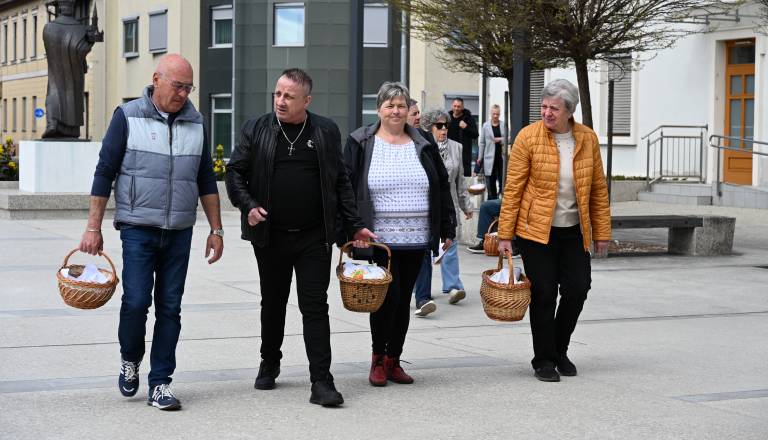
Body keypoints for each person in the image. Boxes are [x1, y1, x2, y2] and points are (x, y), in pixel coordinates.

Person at [79, 54, 223, 410]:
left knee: (170, 308)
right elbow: (104, 172)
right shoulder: (127, 117)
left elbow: (205, 177)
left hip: (179, 231)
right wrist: (93, 227)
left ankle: (160, 382)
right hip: (138, 228)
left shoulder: (196, 122)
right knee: (136, 301)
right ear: (156, 79)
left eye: (189, 87)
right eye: (178, 86)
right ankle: (130, 360)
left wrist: (216, 229)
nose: (183, 93)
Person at [225, 68, 375, 407]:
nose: (280, 101)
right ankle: (270, 360)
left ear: (306, 100)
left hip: (314, 237)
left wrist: (353, 226)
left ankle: (321, 381)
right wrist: (247, 205)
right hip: (271, 236)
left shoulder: (324, 131)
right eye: (277, 94)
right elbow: (235, 172)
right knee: (273, 302)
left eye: (288, 96)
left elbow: (341, 183)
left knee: (314, 307)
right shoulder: (257, 128)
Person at [497, 79, 611, 382]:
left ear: (569, 111)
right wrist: (505, 234)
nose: (547, 113)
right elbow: (514, 188)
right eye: (544, 107)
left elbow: (598, 189)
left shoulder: (587, 139)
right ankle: (543, 359)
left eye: (554, 108)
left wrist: (601, 233)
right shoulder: (528, 137)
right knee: (544, 293)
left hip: (574, 229)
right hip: (536, 231)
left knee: (578, 289)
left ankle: (560, 349)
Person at [343, 82, 455, 386]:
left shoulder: (423, 143)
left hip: (416, 238)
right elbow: (346, 186)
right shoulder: (361, 142)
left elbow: (441, 186)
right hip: (376, 239)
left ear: (409, 110)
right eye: (390, 105)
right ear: (379, 109)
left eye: (401, 105)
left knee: (403, 298)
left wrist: (447, 226)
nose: (396, 111)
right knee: (384, 300)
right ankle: (377, 359)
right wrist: (352, 227)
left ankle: (394, 360)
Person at [413, 109, 472, 317]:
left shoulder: (457, 148)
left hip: (450, 205)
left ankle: (454, 286)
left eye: (446, 125)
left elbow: (460, 181)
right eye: (439, 126)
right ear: (430, 128)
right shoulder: (422, 146)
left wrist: (466, 205)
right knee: (425, 251)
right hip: (429, 206)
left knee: (451, 245)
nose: (444, 129)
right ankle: (420, 290)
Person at [42, 0, 103, 138]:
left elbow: (51, 50)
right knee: (72, 96)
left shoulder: (48, 28)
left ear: (60, 8)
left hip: (56, 71)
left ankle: (54, 124)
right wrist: (89, 41)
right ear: (73, 8)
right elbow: (83, 49)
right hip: (74, 73)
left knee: (53, 92)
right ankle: (70, 128)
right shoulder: (81, 30)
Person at [478, 104, 508, 199]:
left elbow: (510, 138)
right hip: (489, 159)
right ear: (491, 113)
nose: (495, 116)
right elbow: (482, 142)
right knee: (490, 183)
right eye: (494, 114)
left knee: (502, 182)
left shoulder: (504, 124)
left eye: (497, 114)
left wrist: (500, 139)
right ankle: (492, 201)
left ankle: (501, 201)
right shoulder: (485, 126)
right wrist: (480, 157)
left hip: (501, 158)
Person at [447, 97, 479, 177]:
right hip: (450, 153)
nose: (456, 108)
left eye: (458, 106)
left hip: (463, 154)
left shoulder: (468, 118)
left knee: (463, 180)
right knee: (450, 178)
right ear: (452, 106)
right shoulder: (447, 118)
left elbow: (475, 134)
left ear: (462, 107)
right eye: (455, 106)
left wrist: (466, 127)